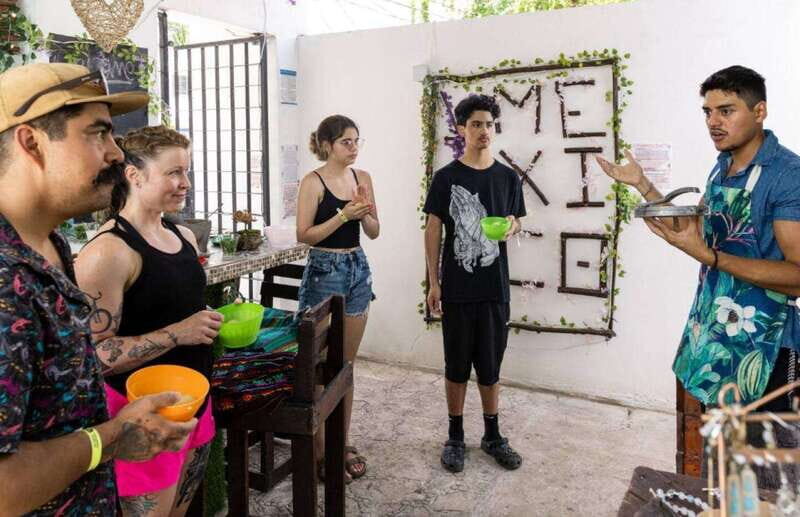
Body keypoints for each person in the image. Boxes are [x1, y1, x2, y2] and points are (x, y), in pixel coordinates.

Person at [0, 62, 197, 516]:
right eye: (98, 133)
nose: (117, 155)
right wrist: (111, 438)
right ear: (31, 142)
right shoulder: (6, 283)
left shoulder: (51, 242)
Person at [596, 65, 800, 486]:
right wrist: (645, 187)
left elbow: (797, 276)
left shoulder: (787, 175)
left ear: (759, 111)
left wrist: (710, 256)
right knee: (719, 469)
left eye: (726, 111)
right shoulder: (722, 165)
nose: (713, 122)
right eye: (707, 112)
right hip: (715, 337)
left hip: (764, 353)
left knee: (761, 483)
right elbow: (698, 230)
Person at [75, 125, 222, 515]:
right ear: (134, 174)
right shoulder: (108, 253)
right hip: (142, 418)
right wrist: (179, 333)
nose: (185, 183)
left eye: (187, 171)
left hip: (195, 404)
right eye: (174, 172)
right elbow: (94, 357)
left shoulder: (183, 236)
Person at [423, 94, 525, 473]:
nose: (484, 131)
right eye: (477, 124)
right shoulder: (447, 178)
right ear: (462, 129)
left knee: (490, 364)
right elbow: (433, 228)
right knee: (456, 363)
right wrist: (434, 282)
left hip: (495, 287)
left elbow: (516, 220)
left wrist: (512, 225)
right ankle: (455, 436)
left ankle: (493, 435)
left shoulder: (507, 177)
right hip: (457, 287)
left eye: (489, 124)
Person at [295, 114, 379, 481]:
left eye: (357, 140)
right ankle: (317, 451)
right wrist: (343, 216)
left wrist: (362, 215)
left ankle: (338, 444)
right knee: (320, 366)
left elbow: (375, 231)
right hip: (324, 272)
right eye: (346, 141)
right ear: (327, 144)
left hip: (357, 269)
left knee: (344, 367)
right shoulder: (312, 182)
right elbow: (305, 235)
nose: (354, 147)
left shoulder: (364, 179)